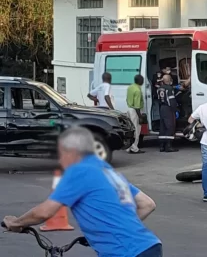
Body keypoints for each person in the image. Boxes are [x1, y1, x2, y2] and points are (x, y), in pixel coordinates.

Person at [2, 127, 162, 257]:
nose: (60, 159)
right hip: (150, 247)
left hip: (125, 253)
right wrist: (110, 230)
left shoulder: (79, 170)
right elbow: (147, 204)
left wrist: (16, 223)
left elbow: (43, 213)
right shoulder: (106, 170)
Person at [157, 75, 178, 153]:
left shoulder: (160, 88)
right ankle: (168, 146)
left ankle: (161, 146)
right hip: (168, 109)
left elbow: (159, 98)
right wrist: (175, 109)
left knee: (162, 127)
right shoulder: (169, 88)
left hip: (162, 108)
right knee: (170, 126)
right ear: (169, 80)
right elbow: (171, 101)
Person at [126, 75, 145, 154]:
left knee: (130, 129)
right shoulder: (137, 90)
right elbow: (137, 106)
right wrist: (140, 116)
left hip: (129, 109)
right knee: (136, 130)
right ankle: (134, 148)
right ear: (140, 81)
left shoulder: (130, 87)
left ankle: (129, 147)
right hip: (135, 111)